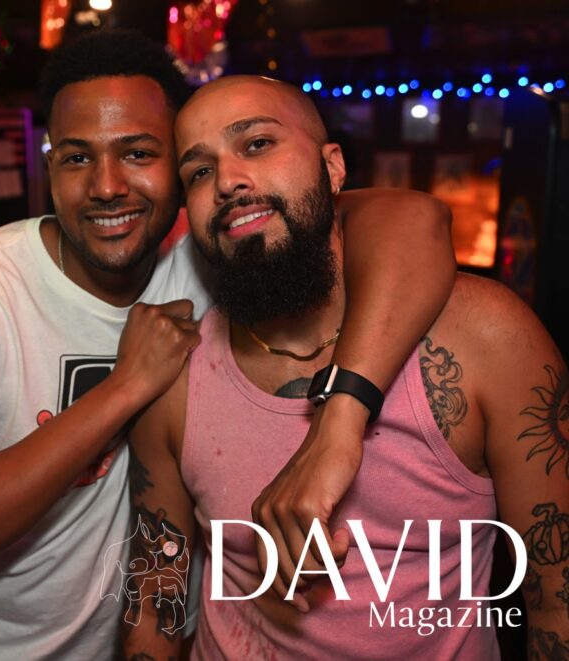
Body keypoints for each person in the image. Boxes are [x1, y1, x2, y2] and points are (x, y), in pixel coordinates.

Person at [0, 32, 456, 660]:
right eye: (76, 158)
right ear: (49, 170)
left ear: (180, 172)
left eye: (138, 153)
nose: (106, 185)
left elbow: (415, 221)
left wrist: (339, 423)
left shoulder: (213, 261)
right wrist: (125, 387)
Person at [124, 75, 569, 660]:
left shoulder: (485, 336)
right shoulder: (176, 374)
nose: (227, 180)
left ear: (333, 168)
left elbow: (556, 602)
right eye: (200, 171)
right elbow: (154, 599)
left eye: (257, 144)